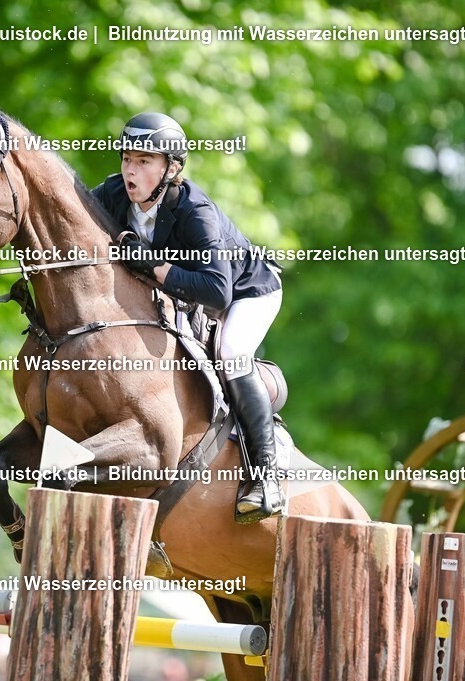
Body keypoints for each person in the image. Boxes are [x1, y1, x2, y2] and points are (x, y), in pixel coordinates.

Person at [91, 112, 286, 523]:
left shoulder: (195, 210)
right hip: (190, 294)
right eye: (127, 158)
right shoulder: (112, 195)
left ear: (172, 168)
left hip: (248, 293)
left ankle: (265, 477)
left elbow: (217, 290)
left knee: (232, 353)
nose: (130, 169)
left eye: (145, 161)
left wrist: (153, 266)